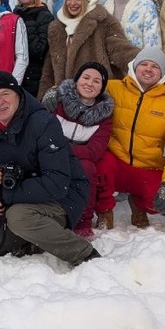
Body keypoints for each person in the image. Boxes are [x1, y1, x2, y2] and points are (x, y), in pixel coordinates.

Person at [0, 71, 99, 266]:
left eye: (5, 94)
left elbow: (57, 183)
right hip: (20, 198)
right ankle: (33, 239)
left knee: (18, 217)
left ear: (18, 95)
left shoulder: (43, 123)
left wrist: (5, 195)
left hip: (63, 197)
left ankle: (85, 254)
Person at [99, 46, 165, 228]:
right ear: (134, 66)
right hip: (115, 161)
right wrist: (58, 90)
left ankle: (139, 203)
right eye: (144, 64)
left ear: (163, 73)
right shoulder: (113, 88)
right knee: (99, 168)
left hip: (147, 166)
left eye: (155, 66)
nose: (149, 69)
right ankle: (104, 210)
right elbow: (82, 85)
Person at [42, 62, 115, 236]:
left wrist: (66, 152)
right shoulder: (58, 101)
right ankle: (45, 216)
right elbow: (42, 129)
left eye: (97, 81)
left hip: (78, 157)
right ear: (76, 80)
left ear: (101, 89)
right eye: (86, 78)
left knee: (88, 169)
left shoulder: (104, 116)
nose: (90, 83)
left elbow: (94, 150)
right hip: (49, 152)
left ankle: (83, 220)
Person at [39, 0, 138, 97]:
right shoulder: (57, 28)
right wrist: (44, 97)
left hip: (95, 95)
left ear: (87, 0)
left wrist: (144, 62)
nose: (73, 3)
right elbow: (50, 68)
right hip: (65, 99)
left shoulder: (103, 22)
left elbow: (121, 50)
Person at [13, 0, 54, 96]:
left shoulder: (45, 15)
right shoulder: (14, 14)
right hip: (16, 72)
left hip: (35, 76)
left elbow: (40, 51)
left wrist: (28, 23)